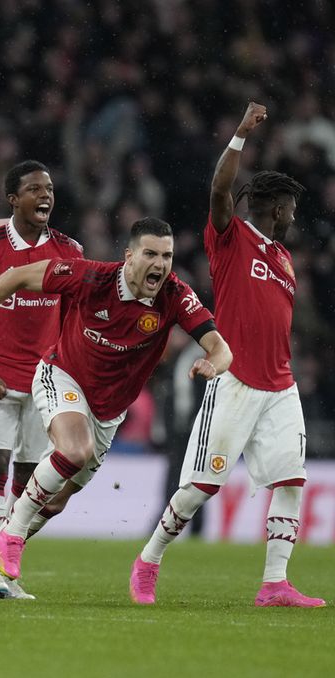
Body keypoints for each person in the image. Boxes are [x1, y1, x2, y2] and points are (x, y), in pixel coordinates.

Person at [0, 217, 232, 604]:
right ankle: (11, 536)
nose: (160, 264)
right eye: (150, 254)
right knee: (73, 451)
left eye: (167, 255)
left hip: (109, 411)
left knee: (57, 499)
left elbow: (222, 347)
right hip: (61, 376)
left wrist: (213, 362)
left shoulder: (175, 295)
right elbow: (13, 278)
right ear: (129, 257)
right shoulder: (90, 278)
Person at [131, 102, 325, 608]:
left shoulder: (283, 258)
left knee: (292, 479)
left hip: (281, 386)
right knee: (198, 488)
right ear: (275, 207)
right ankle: (149, 559)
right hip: (235, 381)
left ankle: (274, 583)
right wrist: (239, 133)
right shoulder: (231, 237)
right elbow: (219, 191)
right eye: (291, 207)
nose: (295, 215)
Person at [0, 161, 84, 599]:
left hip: (45, 383)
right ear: (12, 199)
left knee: (29, 477)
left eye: (49, 188)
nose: (45, 195)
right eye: (33, 189)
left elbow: (72, 322)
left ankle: (4, 573)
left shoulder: (70, 251)